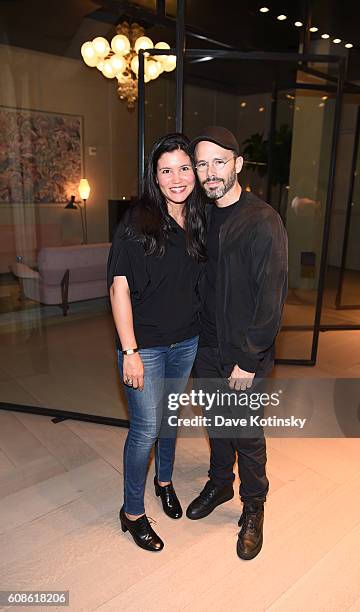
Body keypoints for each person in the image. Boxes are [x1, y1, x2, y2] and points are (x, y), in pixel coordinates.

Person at [186, 126, 288, 560]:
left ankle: (254, 505)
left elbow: (272, 297)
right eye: (202, 164)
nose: (210, 172)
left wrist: (248, 361)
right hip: (205, 346)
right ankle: (220, 483)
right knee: (216, 421)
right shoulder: (201, 216)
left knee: (245, 432)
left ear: (237, 165)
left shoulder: (262, 220)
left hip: (244, 352)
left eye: (218, 162)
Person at [107, 133, 206, 552]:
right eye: (167, 170)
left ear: (195, 174)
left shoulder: (201, 218)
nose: (177, 178)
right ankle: (131, 513)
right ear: (156, 177)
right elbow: (119, 289)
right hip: (144, 345)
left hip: (186, 340)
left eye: (185, 168)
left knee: (170, 417)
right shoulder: (137, 221)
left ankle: (164, 481)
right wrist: (130, 351)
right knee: (146, 428)